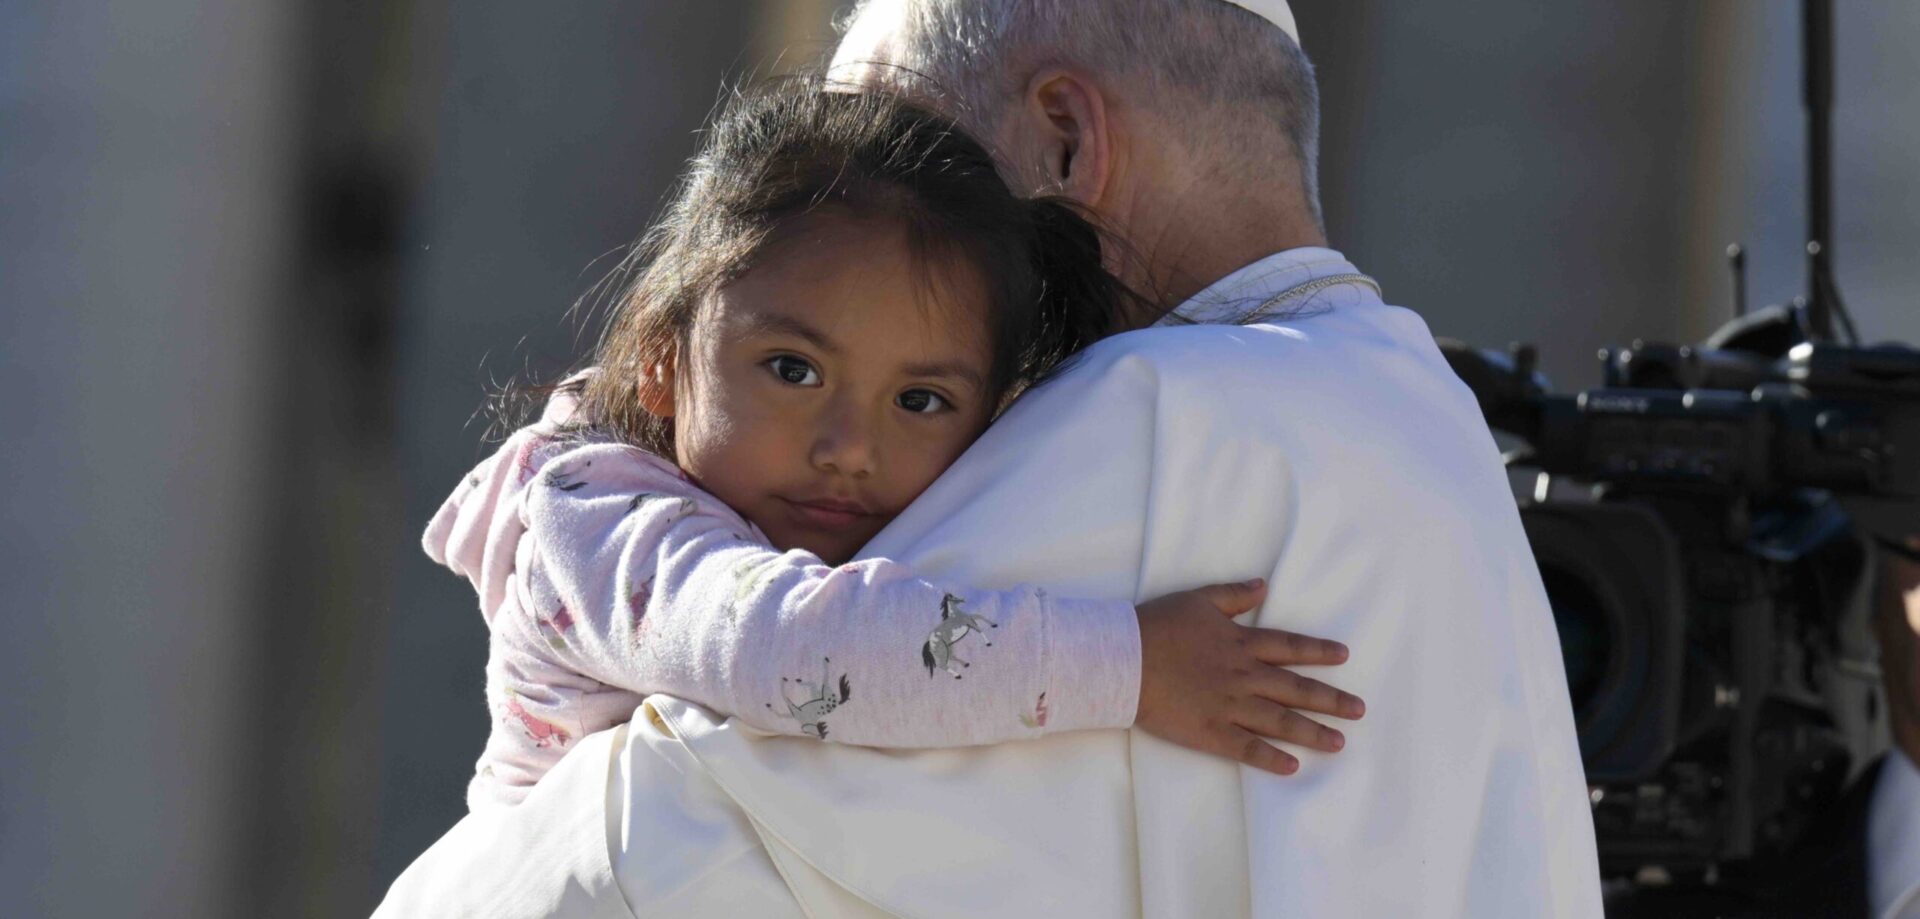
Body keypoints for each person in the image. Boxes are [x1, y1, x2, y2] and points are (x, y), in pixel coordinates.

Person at [376, 2, 1603, 915]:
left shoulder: (1166, 417)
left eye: (919, 170)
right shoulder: (1433, 429)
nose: (862, 440)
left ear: (1065, 145)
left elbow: (654, 851)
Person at [425, 82, 1362, 812]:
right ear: (666, 365)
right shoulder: (594, 518)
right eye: (792, 370)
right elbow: (786, 644)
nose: (848, 446)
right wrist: (1132, 665)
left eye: (920, 399)